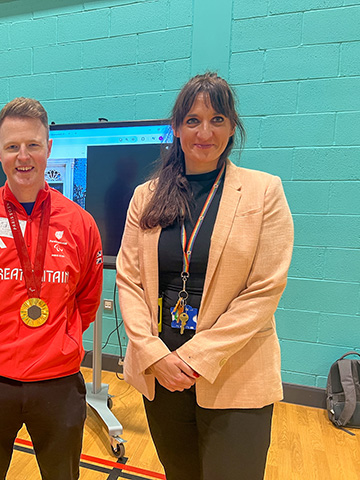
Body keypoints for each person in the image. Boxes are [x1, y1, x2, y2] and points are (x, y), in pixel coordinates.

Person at [116, 72, 294, 480]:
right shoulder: (146, 195)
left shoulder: (264, 191)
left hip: (235, 371)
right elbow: (129, 280)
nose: (204, 131)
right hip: (162, 375)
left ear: (232, 126)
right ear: (176, 128)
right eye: (193, 120)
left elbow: (264, 291)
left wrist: (195, 357)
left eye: (217, 119)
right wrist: (154, 353)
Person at [0, 97, 103, 480]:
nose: (23, 156)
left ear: (49, 148)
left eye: (33, 144)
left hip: (57, 381)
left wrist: (56, 340)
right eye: (13, 146)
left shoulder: (81, 224)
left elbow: (87, 300)